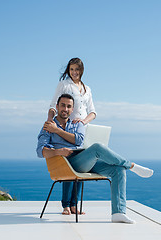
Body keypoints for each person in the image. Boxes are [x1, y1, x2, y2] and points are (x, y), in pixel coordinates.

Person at [37, 94, 154, 224]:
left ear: (72, 109)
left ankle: (118, 213)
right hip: (66, 164)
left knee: (118, 170)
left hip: (84, 159)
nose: (65, 109)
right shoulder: (48, 126)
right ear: (57, 107)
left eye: (69, 106)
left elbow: (79, 139)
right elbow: (41, 151)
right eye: (63, 105)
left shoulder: (77, 124)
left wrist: (57, 131)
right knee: (98, 147)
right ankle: (132, 165)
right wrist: (59, 151)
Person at [47, 58, 97, 215]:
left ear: (82, 70)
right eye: (71, 69)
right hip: (67, 129)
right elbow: (53, 104)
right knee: (68, 167)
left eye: (77, 69)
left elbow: (93, 112)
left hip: (83, 130)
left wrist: (83, 121)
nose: (74, 72)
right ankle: (66, 205)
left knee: (81, 168)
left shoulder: (87, 88)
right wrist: (50, 123)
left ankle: (74, 205)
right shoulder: (64, 84)